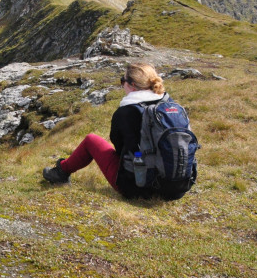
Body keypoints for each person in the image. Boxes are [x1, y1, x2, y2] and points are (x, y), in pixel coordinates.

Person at [42, 62, 185, 199]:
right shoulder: (170, 106)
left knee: (91, 140)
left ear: (132, 85)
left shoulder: (126, 112)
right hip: (177, 187)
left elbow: (120, 149)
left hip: (137, 187)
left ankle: (61, 172)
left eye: (123, 80)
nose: (122, 84)